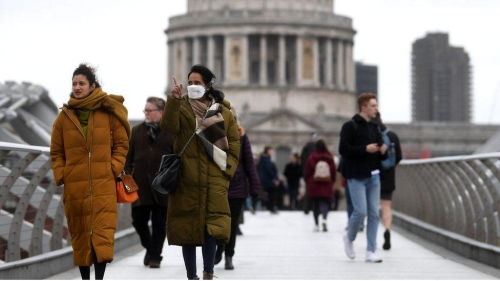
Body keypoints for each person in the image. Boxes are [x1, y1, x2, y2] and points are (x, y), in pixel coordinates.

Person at [50, 64, 130, 280]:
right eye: (74, 84)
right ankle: (85, 278)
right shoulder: (63, 118)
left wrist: (112, 168)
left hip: (103, 183)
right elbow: (56, 152)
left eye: (82, 83)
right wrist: (62, 174)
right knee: (80, 235)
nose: (77, 87)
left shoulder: (108, 113)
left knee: (102, 234)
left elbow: (122, 144)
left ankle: (99, 278)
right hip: (75, 187)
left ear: (92, 86)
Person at [160, 65, 240, 280]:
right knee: (188, 230)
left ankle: (208, 272)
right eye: (191, 83)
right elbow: (168, 127)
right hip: (186, 178)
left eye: (198, 82)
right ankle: (191, 276)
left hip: (213, 178)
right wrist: (174, 100)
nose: (193, 86)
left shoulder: (222, 111)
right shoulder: (182, 107)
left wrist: (227, 171)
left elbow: (233, 143)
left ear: (208, 85)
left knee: (211, 229)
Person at [124, 97, 175, 268]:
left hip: (162, 188)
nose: (146, 113)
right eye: (145, 110)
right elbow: (128, 158)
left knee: (160, 224)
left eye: (149, 110)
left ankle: (155, 257)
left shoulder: (171, 133)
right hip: (140, 187)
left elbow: (177, 159)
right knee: (138, 221)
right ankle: (151, 249)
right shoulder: (136, 131)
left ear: (161, 112)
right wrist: (128, 180)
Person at [339, 93, 387, 263]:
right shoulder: (349, 126)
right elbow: (343, 149)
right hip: (356, 175)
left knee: (374, 213)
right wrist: (364, 149)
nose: (376, 109)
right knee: (360, 211)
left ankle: (370, 251)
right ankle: (349, 238)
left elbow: (381, 153)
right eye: (373, 106)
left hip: (374, 175)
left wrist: (383, 151)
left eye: (376, 105)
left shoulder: (375, 128)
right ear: (363, 107)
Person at [214, 108, 260, 270]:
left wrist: (255, 187)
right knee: (218, 222)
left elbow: (249, 163)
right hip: (217, 185)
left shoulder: (242, 137)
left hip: (237, 186)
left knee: (232, 224)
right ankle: (220, 247)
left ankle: (229, 255)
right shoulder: (211, 135)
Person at [372, 112, 402, 250]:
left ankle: (372, 239)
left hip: (373, 175)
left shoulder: (370, 135)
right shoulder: (392, 135)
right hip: (389, 175)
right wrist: (389, 166)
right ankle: (388, 230)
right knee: (386, 207)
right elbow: (399, 156)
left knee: (372, 208)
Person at [304, 140, 336, 232]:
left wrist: (308, 181)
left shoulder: (312, 157)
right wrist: (331, 181)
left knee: (315, 205)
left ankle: (316, 224)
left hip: (314, 183)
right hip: (326, 183)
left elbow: (307, 171)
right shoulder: (329, 157)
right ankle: (324, 219)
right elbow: (333, 171)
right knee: (325, 203)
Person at [257, 146, 280, 214]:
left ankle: (270, 207)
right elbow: (269, 170)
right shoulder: (266, 159)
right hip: (268, 180)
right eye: (271, 150)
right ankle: (271, 208)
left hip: (266, 179)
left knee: (268, 194)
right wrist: (274, 179)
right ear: (268, 151)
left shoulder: (264, 159)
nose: (272, 152)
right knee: (272, 194)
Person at [301, 133, 319, 214]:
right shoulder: (315, 148)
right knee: (318, 190)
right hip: (316, 172)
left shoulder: (306, 147)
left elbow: (302, 161)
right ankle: (316, 207)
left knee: (308, 190)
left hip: (307, 172)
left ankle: (306, 208)